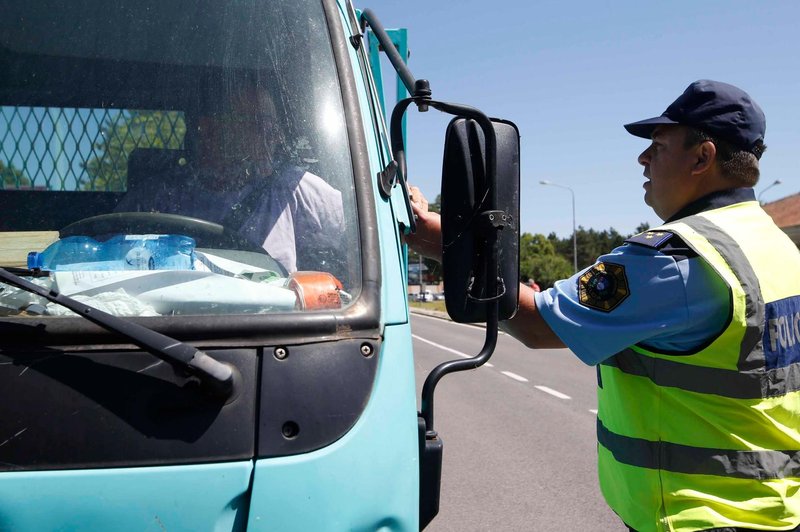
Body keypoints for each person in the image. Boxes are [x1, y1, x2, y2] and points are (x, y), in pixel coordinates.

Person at [406, 80, 800, 532]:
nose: (643, 159)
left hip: (697, 517)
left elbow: (539, 324)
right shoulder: (776, 247)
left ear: (702, 157)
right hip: (776, 510)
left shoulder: (675, 261)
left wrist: (428, 234)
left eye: (657, 146)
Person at [116, 80, 344, 275]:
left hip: (273, 323)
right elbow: (107, 258)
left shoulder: (291, 189)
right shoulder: (158, 197)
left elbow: (359, 236)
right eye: (259, 123)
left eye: (274, 124)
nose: (274, 135)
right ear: (210, 129)